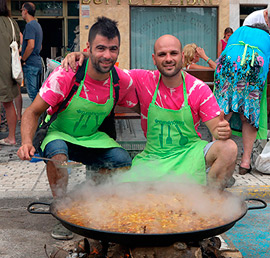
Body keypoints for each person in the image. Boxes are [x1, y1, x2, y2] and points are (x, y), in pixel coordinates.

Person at [62, 34, 238, 191]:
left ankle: (208, 200)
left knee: (229, 148)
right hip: (153, 158)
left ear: (182, 57)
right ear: (154, 59)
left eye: (173, 53)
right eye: (162, 54)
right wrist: (84, 56)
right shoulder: (142, 79)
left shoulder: (197, 88)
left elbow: (217, 128)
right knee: (125, 196)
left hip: (190, 154)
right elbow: (108, 68)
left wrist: (222, 130)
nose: (168, 59)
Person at [17, 17, 137, 240]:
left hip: (93, 137)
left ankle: (86, 200)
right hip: (60, 134)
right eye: (100, 48)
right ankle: (63, 210)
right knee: (58, 153)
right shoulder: (66, 74)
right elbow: (31, 112)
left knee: (122, 160)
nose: (107, 55)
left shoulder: (121, 79)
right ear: (88, 48)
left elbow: (151, 89)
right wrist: (25, 142)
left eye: (113, 49)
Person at [213, 23, 270, 175]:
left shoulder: (239, 31)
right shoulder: (267, 37)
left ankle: (215, 155)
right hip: (254, 63)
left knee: (224, 109)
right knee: (249, 113)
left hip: (228, 61)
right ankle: (245, 163)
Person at [0, 0, 21, 146]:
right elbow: (17, 44)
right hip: (9, 69)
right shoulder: (12, 22)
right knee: (8, 104)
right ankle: (12, 137)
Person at [20, 2, 43, 102]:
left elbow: (31, 45)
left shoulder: (29, 26)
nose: (21, 13)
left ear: (25, 11)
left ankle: (36, 117)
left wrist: (23, 59)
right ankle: (41, 117)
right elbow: (39, 46)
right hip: (37, 63)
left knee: (32, 94)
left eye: (21, 10)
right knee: (38, 93)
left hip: (30, 64)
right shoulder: (37, 25)